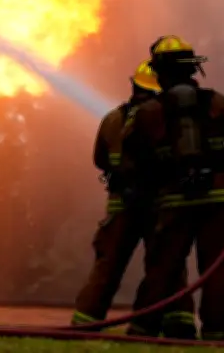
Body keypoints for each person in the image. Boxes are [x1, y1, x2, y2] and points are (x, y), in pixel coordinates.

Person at [121, 35, 224, 341]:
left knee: (163, 266)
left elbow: (131, 161)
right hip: (220, 197)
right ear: (192, 68)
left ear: (158, 71)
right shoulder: (217, 103)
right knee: (218, 268)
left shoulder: (148, 112)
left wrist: (146, 194)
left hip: (175, 198)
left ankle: (142, 330)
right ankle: (217, 333)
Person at [72, 60, 197, 339]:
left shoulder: (113, 118)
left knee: (108, 268)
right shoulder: (164, 119)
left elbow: (100, 159)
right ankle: (180, 324)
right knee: (168, 265)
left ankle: (85, 323)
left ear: (134, 85)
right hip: (157, 206)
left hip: (121, 207)